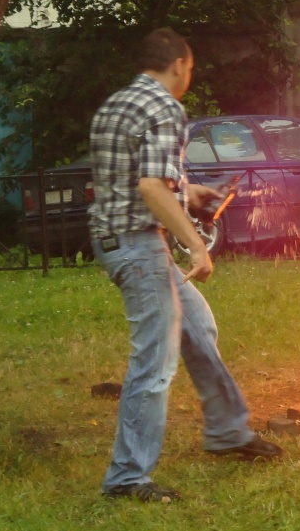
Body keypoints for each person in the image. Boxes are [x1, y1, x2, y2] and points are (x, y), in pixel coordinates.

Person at [88, 27, 282, 504]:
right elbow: (150, 188)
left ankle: (226, 431)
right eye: (190, 70)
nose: (188, 78)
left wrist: (190, 192)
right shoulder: (165, 108)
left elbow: (140, 178)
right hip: (137, 247)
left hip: (117, 240)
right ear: (178, 65)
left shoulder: (116, 104)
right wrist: (195, 244)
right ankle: (127, 478)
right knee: (154, 363)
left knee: (197, 326)